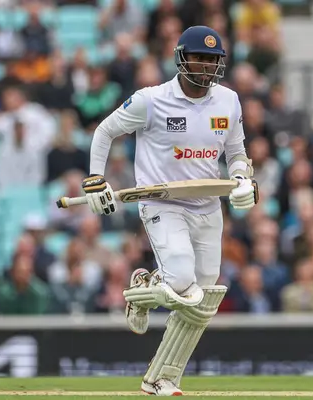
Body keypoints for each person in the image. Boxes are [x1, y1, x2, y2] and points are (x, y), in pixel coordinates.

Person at [81, 26, 258, 396]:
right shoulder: (151, 100)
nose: (208, 67)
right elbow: (103, 131)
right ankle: (152, 285)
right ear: (181, 58)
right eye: (200, 58)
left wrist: (242, 180)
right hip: (162, 202)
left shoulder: (228, 101)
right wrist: (96, 180)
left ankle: (161, 378)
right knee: (181, 282)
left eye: (214, 60)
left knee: (201, 301)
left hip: (207, 205)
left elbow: (237, 154)